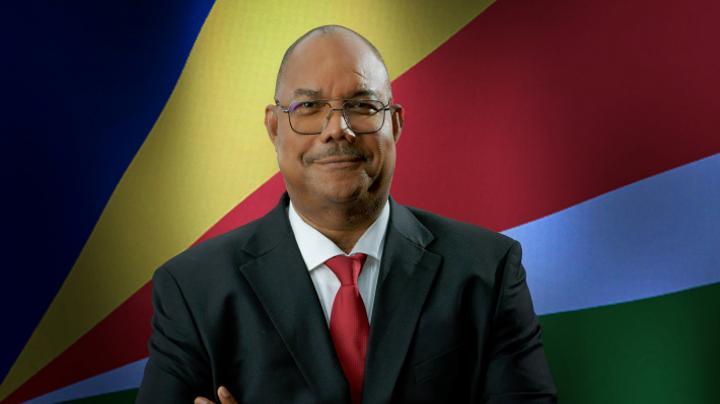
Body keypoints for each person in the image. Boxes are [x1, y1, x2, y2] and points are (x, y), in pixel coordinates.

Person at [136, 25, 557, 404]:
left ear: (395, 123)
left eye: (362, 105)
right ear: (274, 127)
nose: (337, 128)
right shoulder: (193, 289)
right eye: (309, 106)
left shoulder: (487, 271)